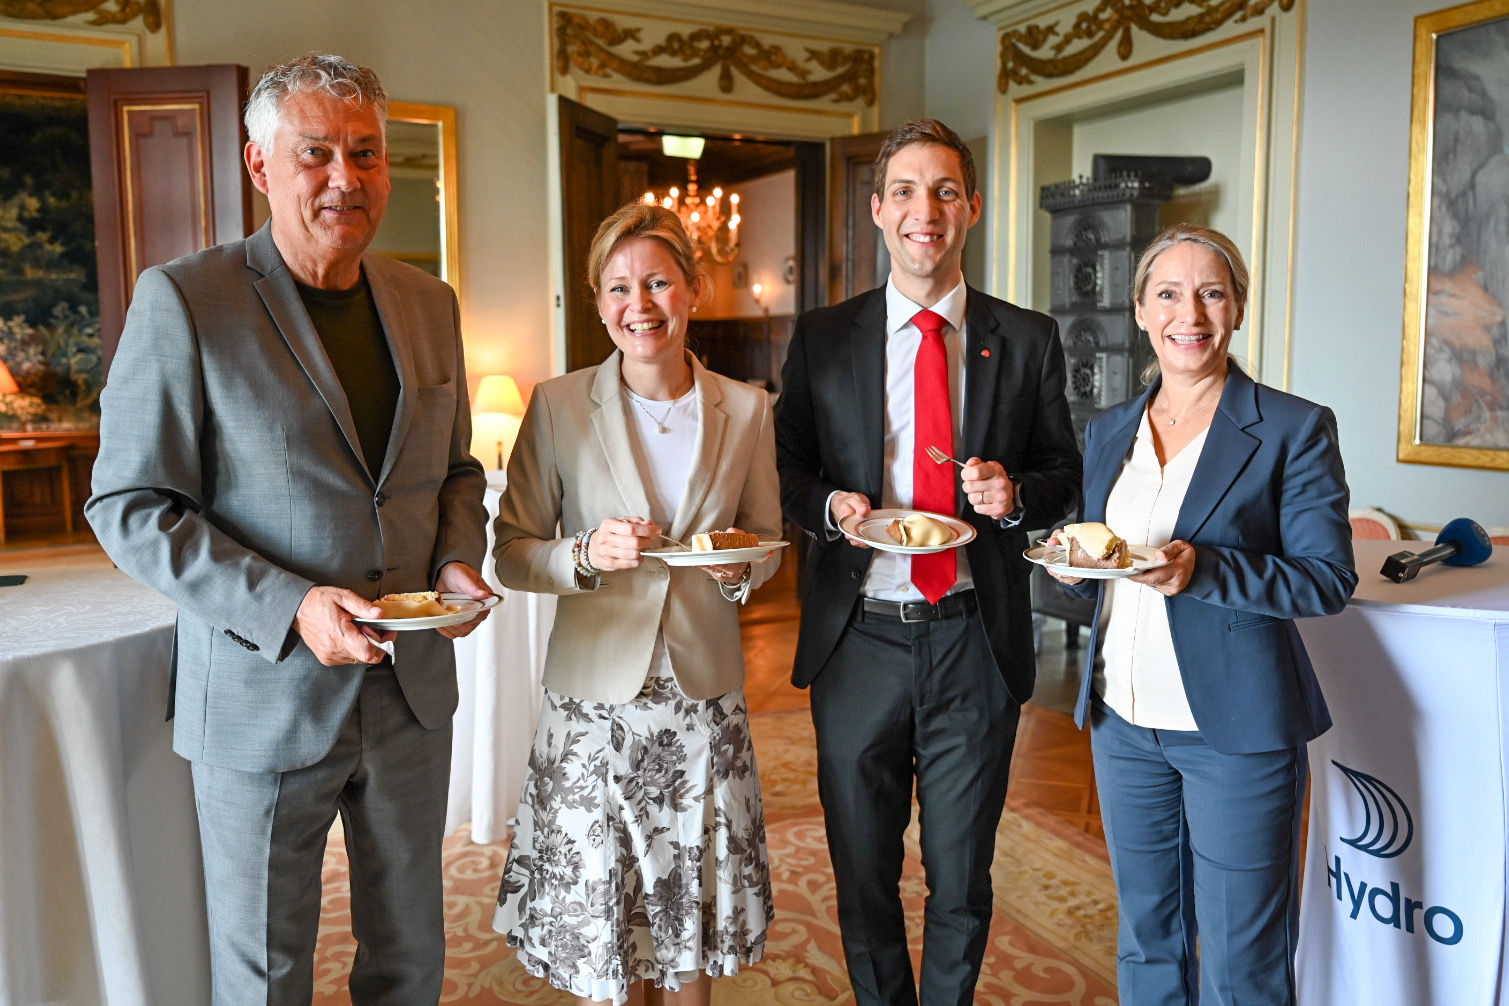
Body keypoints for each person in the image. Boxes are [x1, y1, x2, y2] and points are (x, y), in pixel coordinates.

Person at [85, 54, 491, 1004]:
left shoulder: (429, 305)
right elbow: (129, 506)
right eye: (315, 153)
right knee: (265, 971)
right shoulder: (186, 299)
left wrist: (457, 557)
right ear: (262, 166)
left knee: (409, 960)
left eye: (365, 153)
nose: (345, 178)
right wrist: (293, 604)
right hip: (262, 698)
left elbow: (457, 472)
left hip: (409, 699)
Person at [774, 119, 1081, 1006]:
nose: (925, 211)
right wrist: (829, 508)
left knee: (961, 878)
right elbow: (789, 469)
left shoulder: (1026, 337)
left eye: (944, 191)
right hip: (857, 642)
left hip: (973, 642)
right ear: (878, 210)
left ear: (971, 208)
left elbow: (1064, 475)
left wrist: (1014, 494)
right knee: (863, 877)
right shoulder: (824, 336)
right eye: (905, 191)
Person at [1044, 224, 1356, 1005]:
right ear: (1143, 312)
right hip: (1121, 722)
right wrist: (1069, 558)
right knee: (1147, 945)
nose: (1191, 313)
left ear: (1238, 308)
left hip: (1237, 734)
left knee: (1240, 966)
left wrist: (1202, 568)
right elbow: (1098, 569)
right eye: (1169, 294)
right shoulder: (1108, 428)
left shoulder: (1292, 426)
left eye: (1211, 292)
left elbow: (1326, 580)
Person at [491, 202, 780, 1006]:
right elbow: (509, 550)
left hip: (702, 695)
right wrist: (583, 553)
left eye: (657, 282)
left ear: (691, 289)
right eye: (618, 287)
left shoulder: (748, 408)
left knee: (690, 902)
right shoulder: (555, 405)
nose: (639, 304)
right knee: (603, 911)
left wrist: (736, 569)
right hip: (591, 700)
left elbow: (762, 544)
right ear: (597, 301)